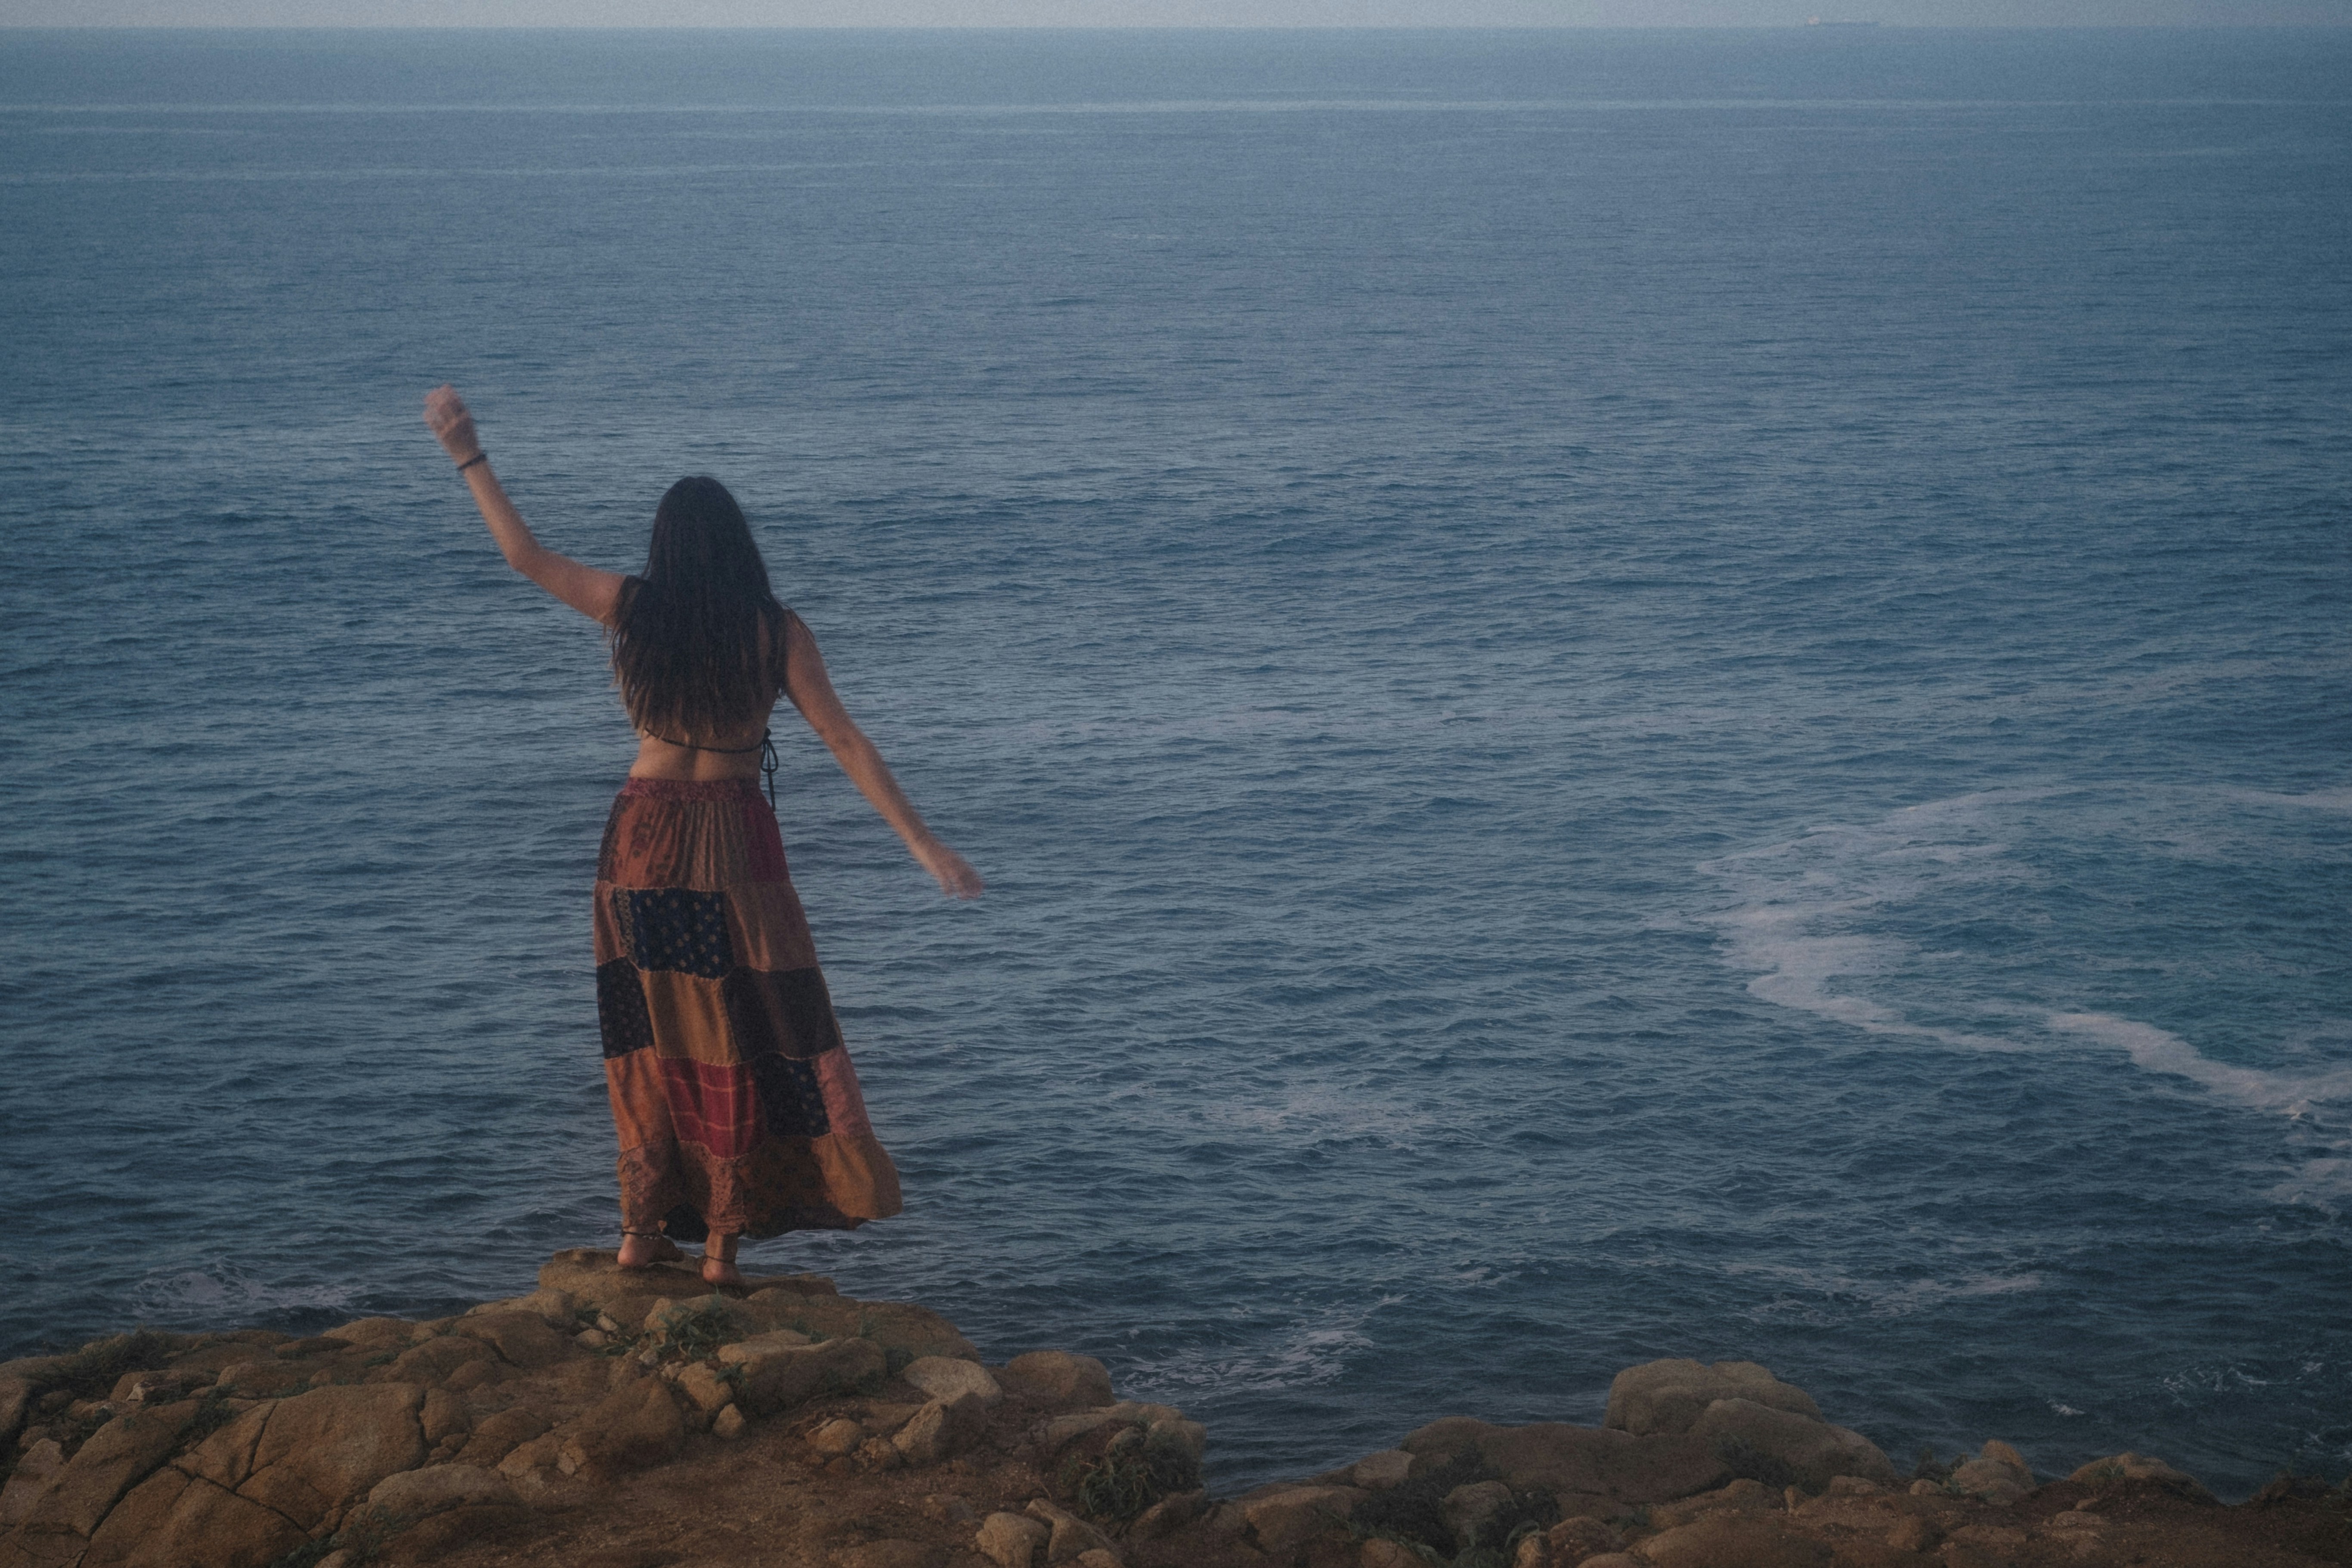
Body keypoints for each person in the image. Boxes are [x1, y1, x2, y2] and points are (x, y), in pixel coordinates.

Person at [424, 385, 982, 1287]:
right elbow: (844, 739)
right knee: (741, 1030)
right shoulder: (774, 630)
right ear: (739, 546)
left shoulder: (634, 609)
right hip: (730, 845)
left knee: (643, 1036)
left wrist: (467, 452)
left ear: (664, 546)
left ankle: (641, 1234)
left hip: (640, 839)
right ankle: (719, 1248)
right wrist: (923, 846)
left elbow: (522, 555)